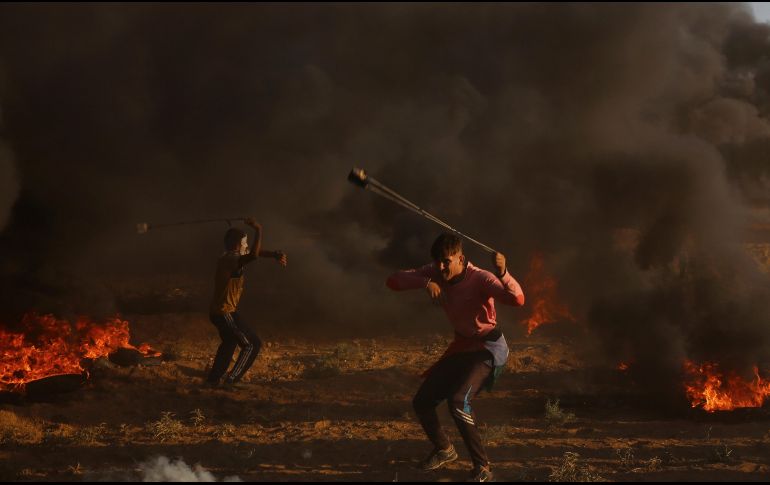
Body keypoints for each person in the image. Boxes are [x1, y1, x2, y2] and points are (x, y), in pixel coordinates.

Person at [386, 232, 524, 482]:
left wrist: (504, 273)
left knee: (458, 402)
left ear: (461, 258)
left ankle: (483, 467)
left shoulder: (482, 278)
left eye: (446, 262)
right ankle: (445, 450)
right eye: (438, 261)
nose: (441, 267)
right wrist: (426, 282)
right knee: (423, 401)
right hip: (462, 348)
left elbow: (518, 299)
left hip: (488, 349)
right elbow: (393, 281)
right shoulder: (435, 271)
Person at [205, 217, 287, 388]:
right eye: (244, 242)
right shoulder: (230, 260)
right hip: (224, 312)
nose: (246, 245)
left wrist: (273, 254)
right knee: (252, 345)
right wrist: (258, 229)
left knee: (229, 342)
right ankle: (231, 380)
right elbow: (254, 255)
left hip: (220, 311)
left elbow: (255, 252)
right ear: (237, 244)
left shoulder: (230, 256)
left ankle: (213, 380)